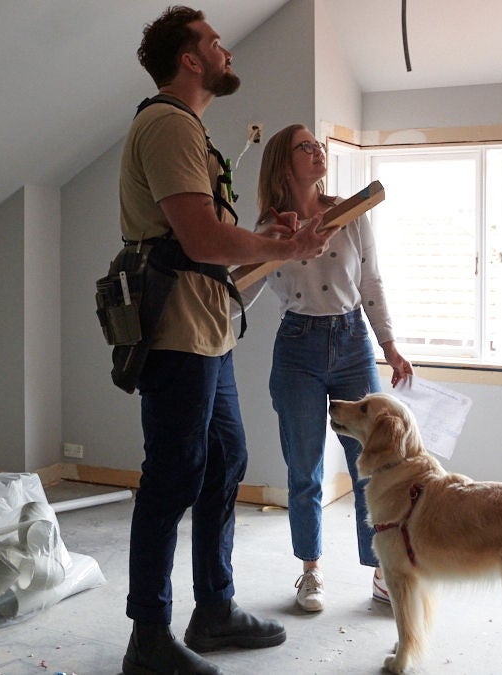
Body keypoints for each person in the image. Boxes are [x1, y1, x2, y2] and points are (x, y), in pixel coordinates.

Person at [117, 8, 331, 675]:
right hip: (177, 328)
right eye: (214, 42)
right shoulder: (167, 125)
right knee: (172, 474)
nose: (225, 49)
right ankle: (147, 637)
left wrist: (267, 232)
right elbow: (202, 239)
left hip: (205, 325)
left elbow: (212, 243)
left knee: (225, 457)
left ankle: (213, 607)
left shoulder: (192, 131)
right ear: (189, 59)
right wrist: (280, 243)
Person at [248, 124, 415, 612]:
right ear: (285, 161)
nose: (318, 152)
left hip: (351, 341)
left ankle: (382, 571)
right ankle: (310, 571)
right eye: (306, 147)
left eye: (319, 145)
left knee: (374, 464)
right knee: (304, 468)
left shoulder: (349, 214)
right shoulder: (270, 227)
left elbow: (371, 280)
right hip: (297, 346)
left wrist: (390, 346)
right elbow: (245, 291)